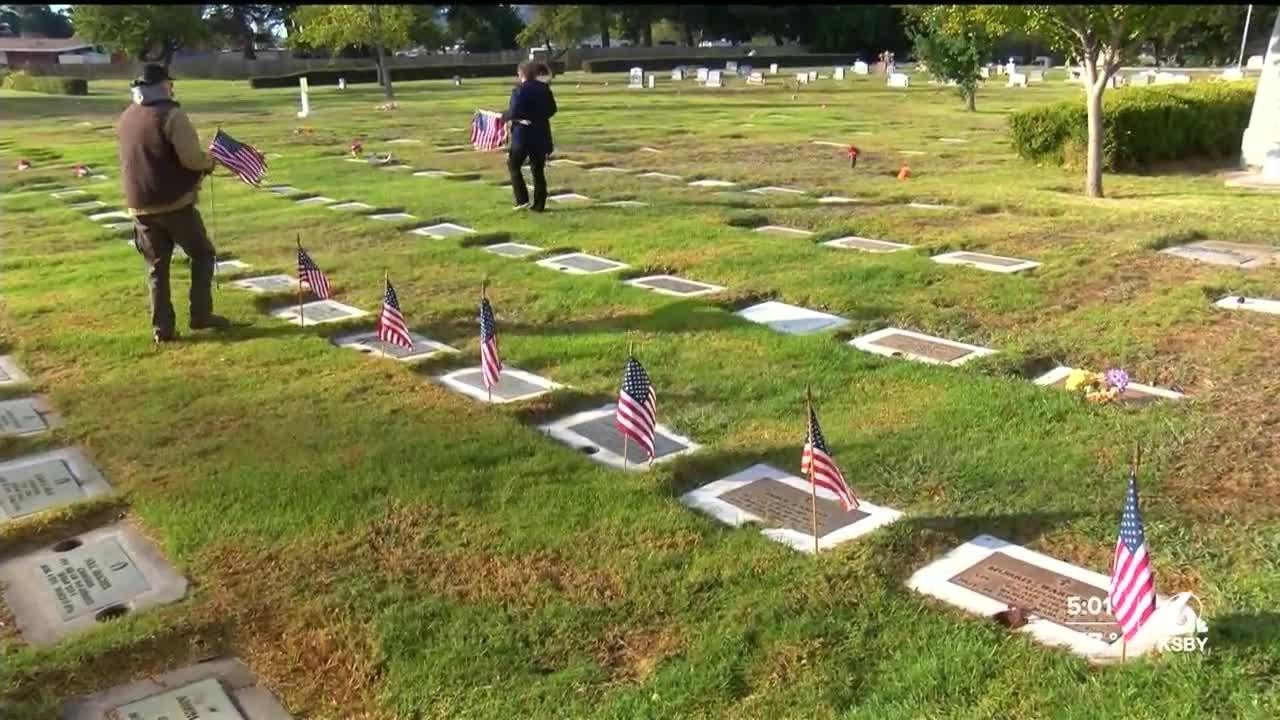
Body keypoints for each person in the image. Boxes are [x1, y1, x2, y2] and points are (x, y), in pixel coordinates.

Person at [117, 63, 229, 344]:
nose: (171, 87)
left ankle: (163, 330)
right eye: (169, 83)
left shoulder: (127, 115)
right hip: (174, 202)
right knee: (202, 254)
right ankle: (201, 315)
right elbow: (191, 158)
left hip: (139, 205)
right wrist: (210, 162)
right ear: (163, 86)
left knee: (156, 267)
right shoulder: (172, 115)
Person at [502, 61, 557, 212]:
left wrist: (503, 116)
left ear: (523, 74)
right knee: (537, 170)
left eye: (519, 73)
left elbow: (514, 113)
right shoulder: (544, 89)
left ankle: (522, 199)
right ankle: (539, 205)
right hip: (541, 133)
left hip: (523, 135)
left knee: (513, 165)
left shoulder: (519, 90)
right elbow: (552, 109)